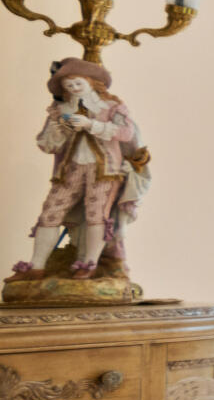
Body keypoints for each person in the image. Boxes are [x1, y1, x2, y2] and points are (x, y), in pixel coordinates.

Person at [13, 58, 147, 283]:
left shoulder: (112, 107)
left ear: (92, 83)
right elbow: (47, 145)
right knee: (50, 214)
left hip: (105, 170)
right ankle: (36, 266)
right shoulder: (61, 110)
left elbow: (125, 133)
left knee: (97, 213)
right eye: (68, 86)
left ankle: (89, 263)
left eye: (77, 84)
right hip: (71, 169)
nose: (73, 89)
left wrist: (91, 125)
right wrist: (61, 129)